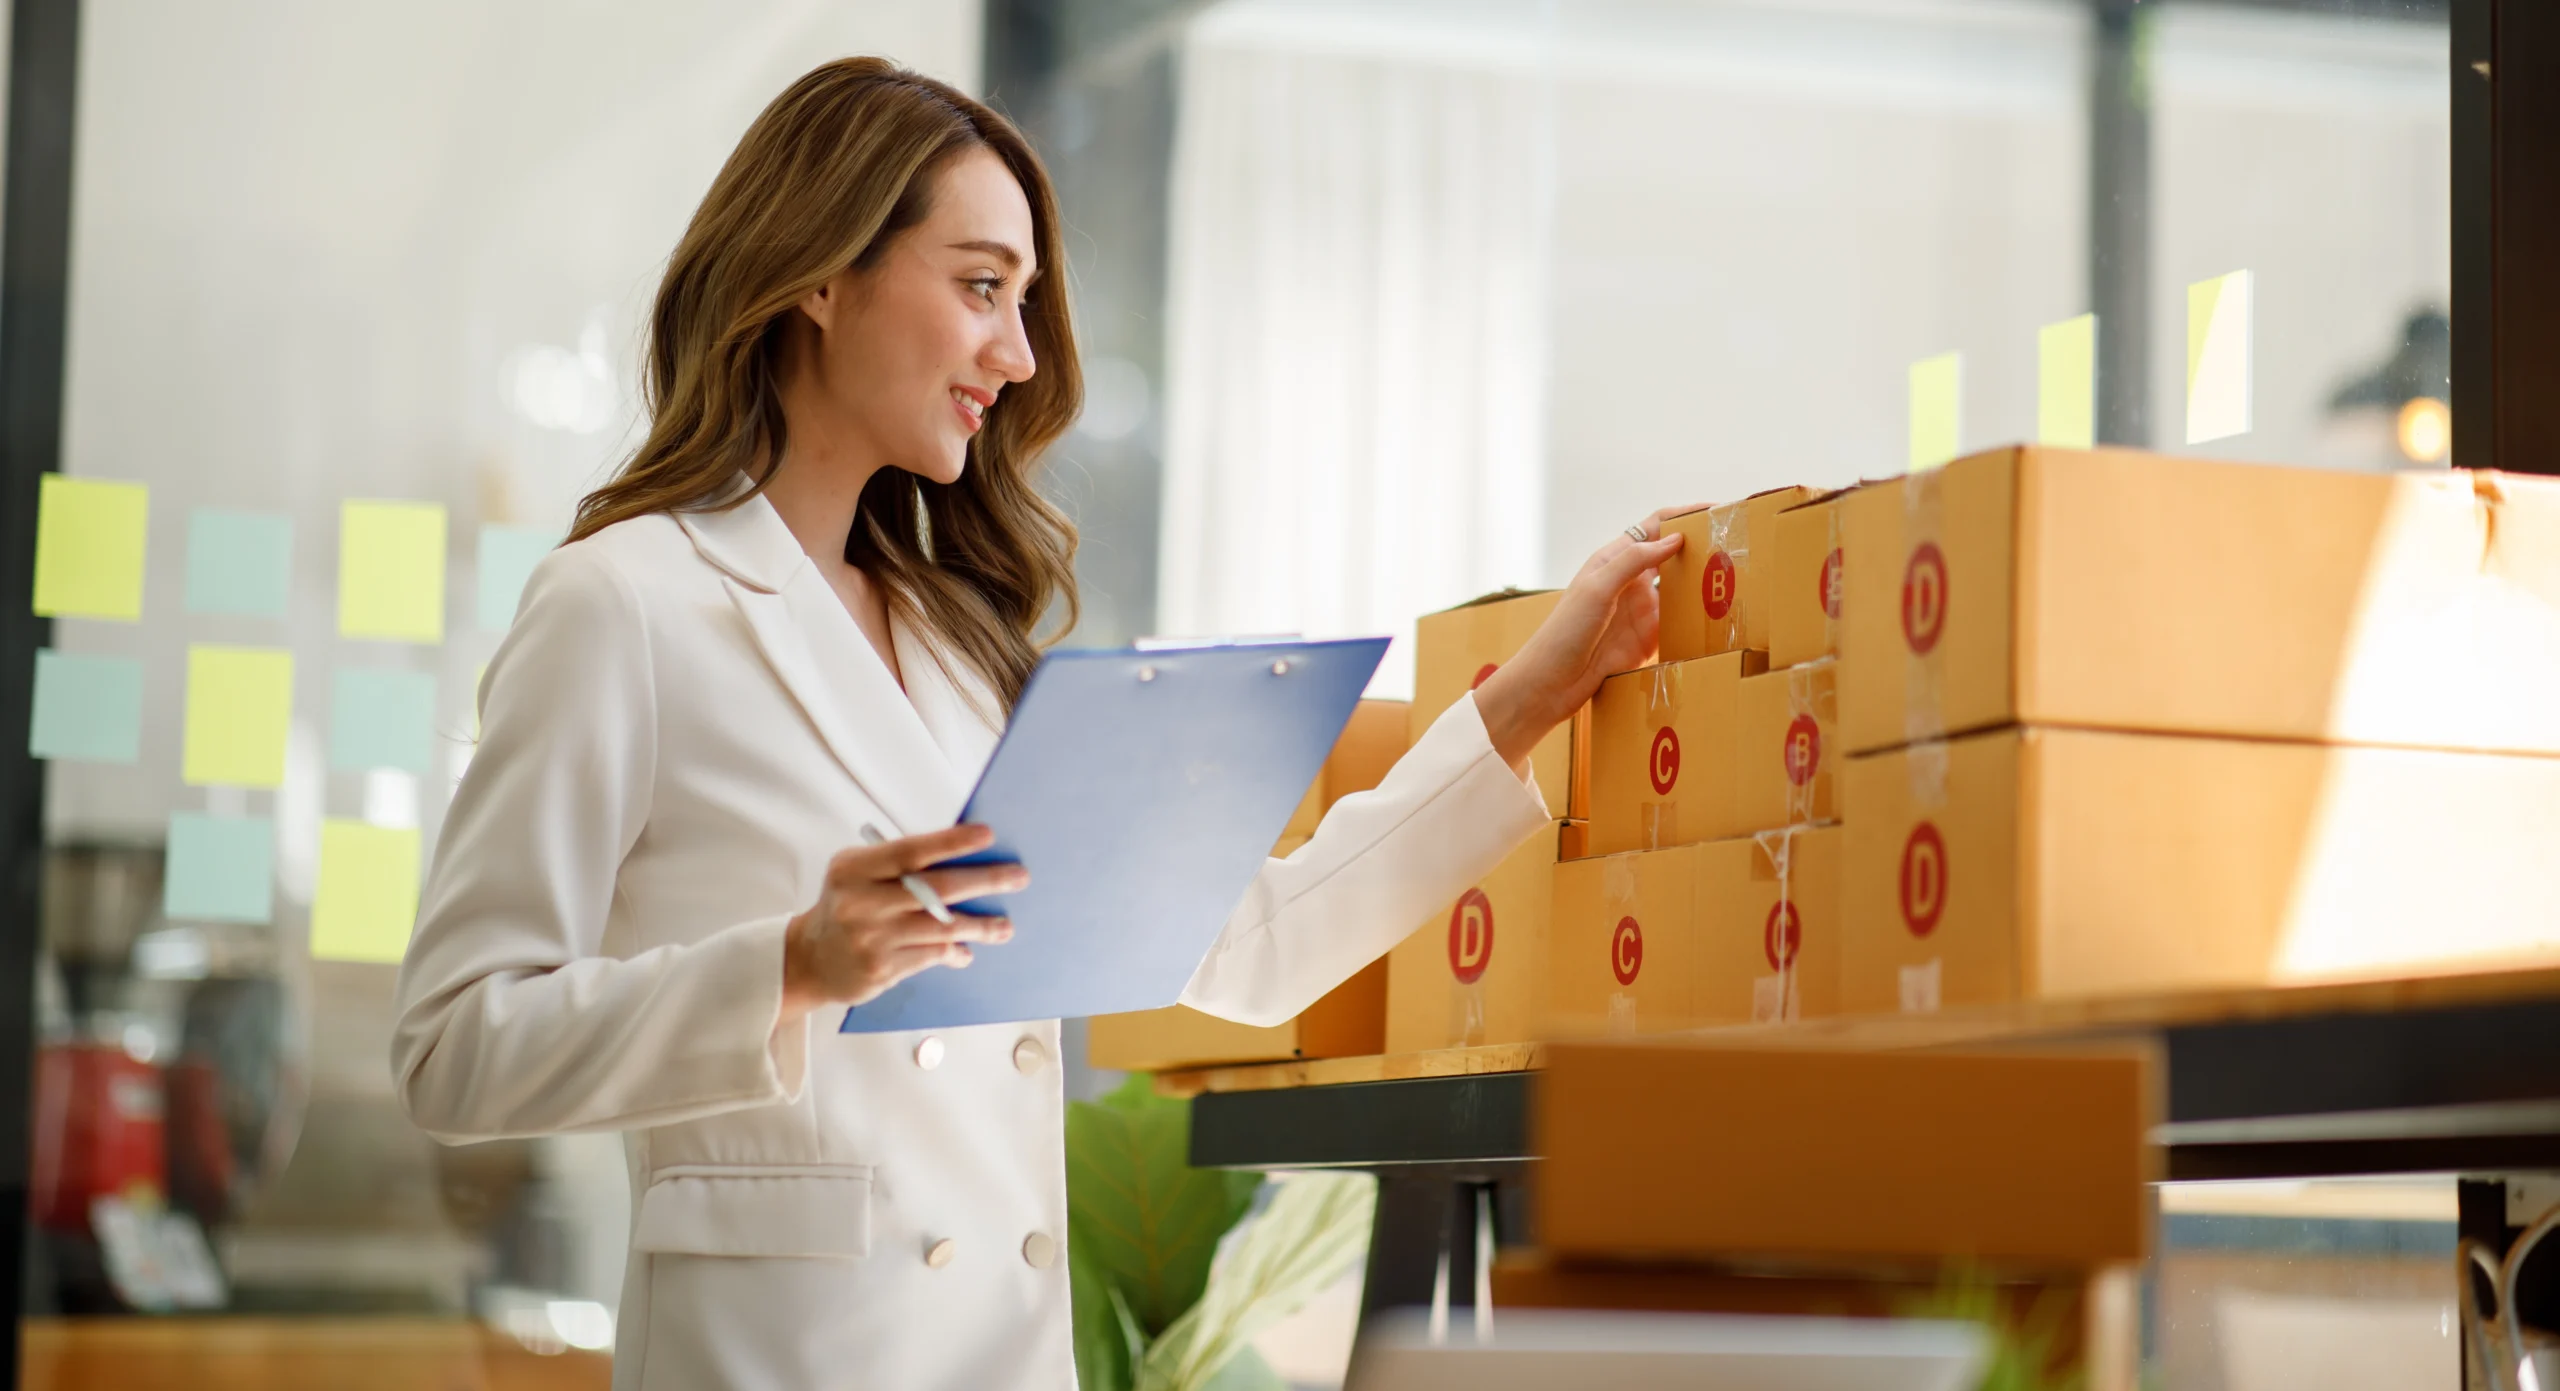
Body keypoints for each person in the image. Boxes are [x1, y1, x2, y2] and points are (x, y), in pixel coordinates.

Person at [390, 56, 1684, 1391]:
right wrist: (791, 963)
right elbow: (454, 1048)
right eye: (980, 287)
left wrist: (1530, 695)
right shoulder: (626, 605)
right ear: (821, 276)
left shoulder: (964, 646)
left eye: (1024, 303)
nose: (1015, 356)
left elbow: (1252, 947)